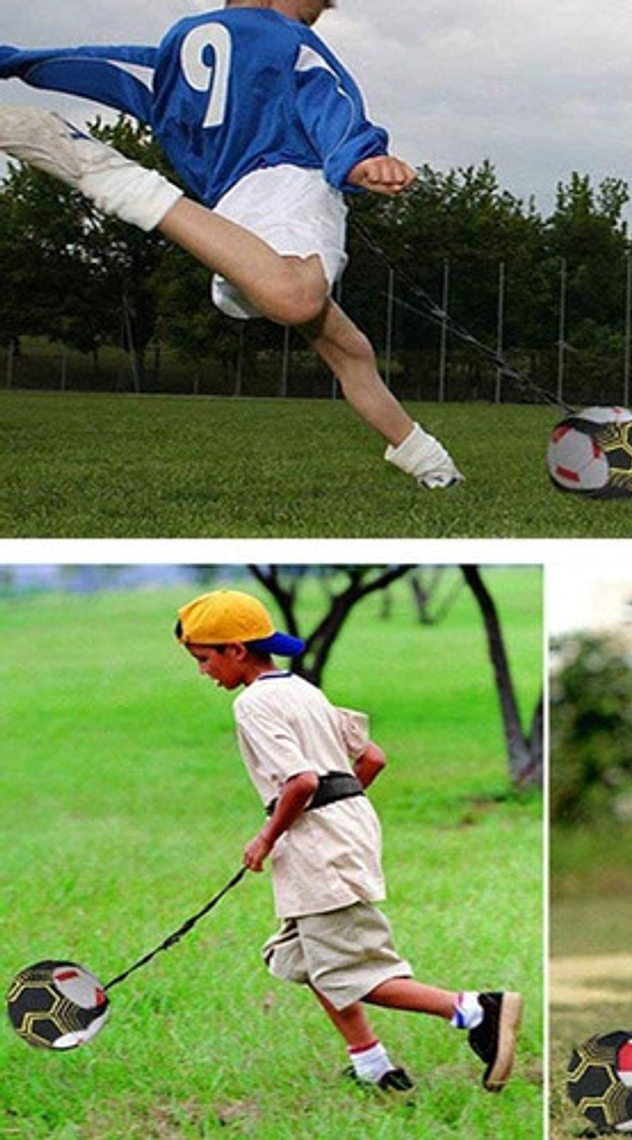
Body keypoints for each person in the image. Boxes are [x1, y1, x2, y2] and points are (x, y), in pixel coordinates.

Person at [0, 0, 462, 489]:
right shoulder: (288, 42)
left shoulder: (175, 52)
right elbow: (330, 99)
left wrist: (11, 60)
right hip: (292, 185)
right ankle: (107, 176)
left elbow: (86, 65)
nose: (320, 12)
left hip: (232, 213)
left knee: (347, 348)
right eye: (317, 5)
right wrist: (361, 159)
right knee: (296, 297)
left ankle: (430, 465)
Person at [174, 587, 521, 1092]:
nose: (204, 672)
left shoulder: (253, 705)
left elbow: (301, 782)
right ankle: (372, 1065)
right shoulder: (302, 689)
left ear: (235, 649)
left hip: (317, 844)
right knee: (302, 957)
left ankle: (475, 1010)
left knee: (354, 968)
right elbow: (372, 758)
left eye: (205, 659)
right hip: (339, 830)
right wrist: (342, 810)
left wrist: (266, 839)